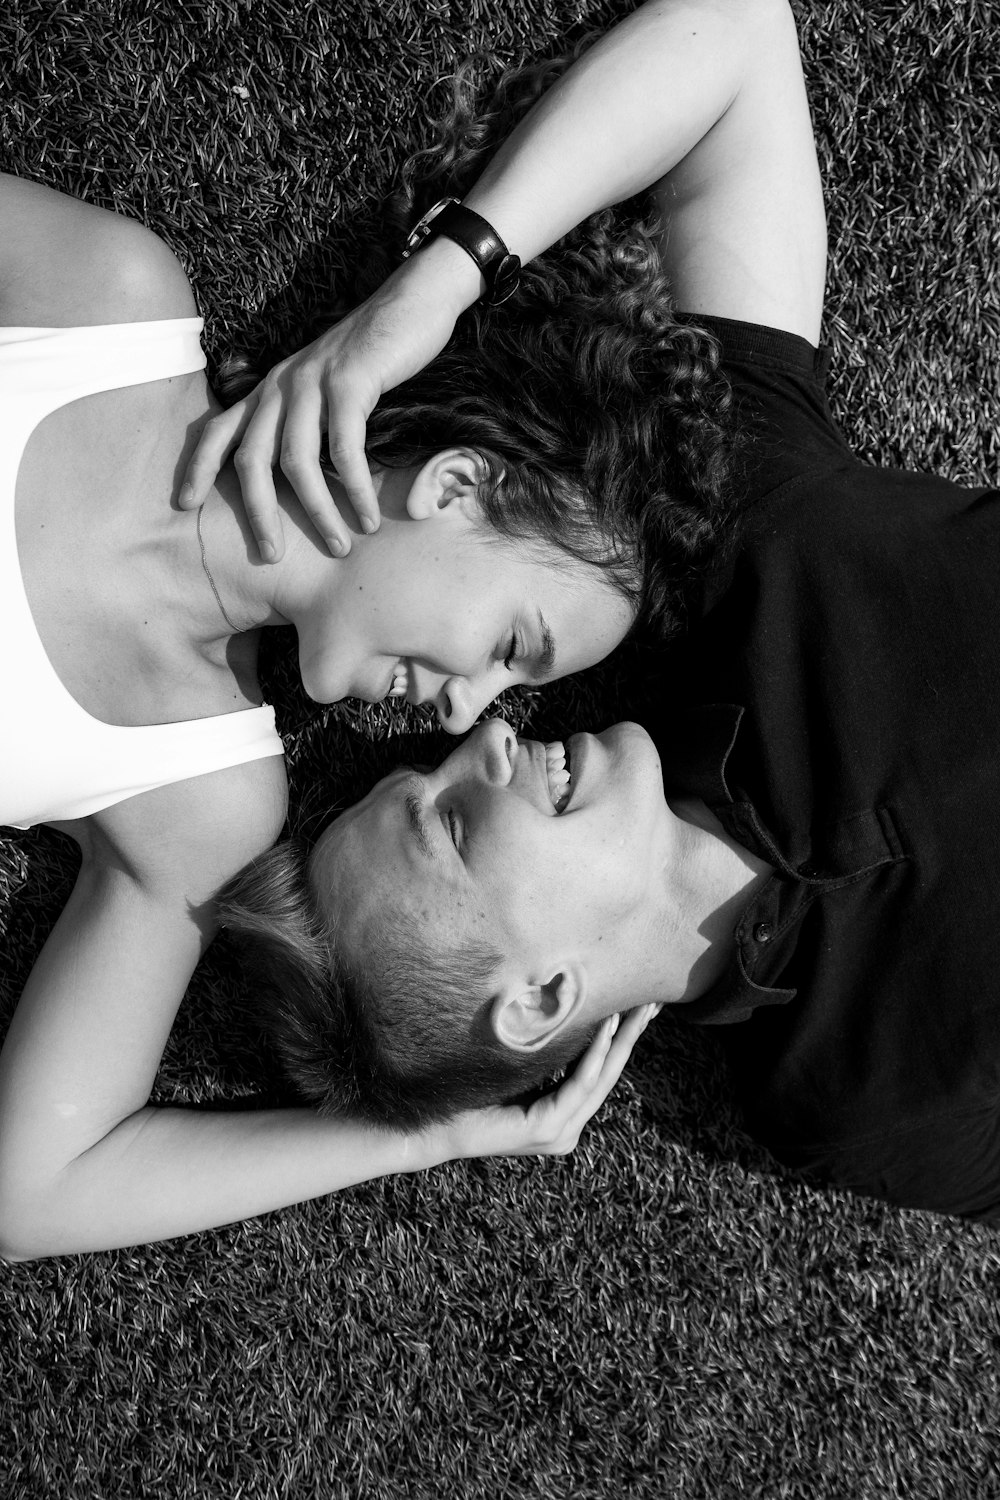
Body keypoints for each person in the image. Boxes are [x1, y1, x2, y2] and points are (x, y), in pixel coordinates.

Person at [212, 0, 1000, 1220]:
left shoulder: (739, 554)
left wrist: (441, 277)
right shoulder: (853, 1108)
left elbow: (735, 40)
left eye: (430, 773)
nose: (484, 740)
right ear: (537, 1000)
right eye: (454, 826)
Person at [0, 61, 724, 1257]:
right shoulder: (103, 304)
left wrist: (430, 1140)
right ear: (454, 488)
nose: (467, 711)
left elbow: (27, 1194)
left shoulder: (200, 803)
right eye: (510, 646)